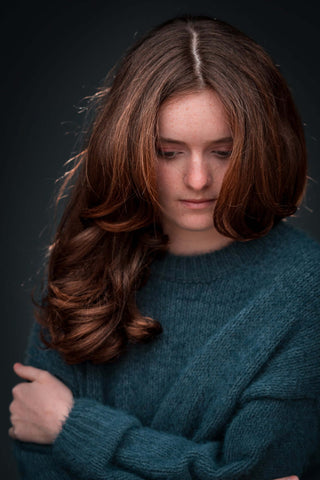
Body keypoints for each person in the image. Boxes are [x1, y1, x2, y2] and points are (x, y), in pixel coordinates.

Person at [9, 14, 320, 480]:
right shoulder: (84, 267)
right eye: (168, 152)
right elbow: (37, 465)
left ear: (260, 147)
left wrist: (73, 427)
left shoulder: (305, 290)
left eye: (223, 151)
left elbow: (259, 471)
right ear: (129, 147)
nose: (197, 179)